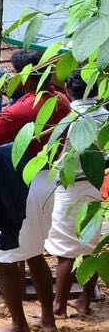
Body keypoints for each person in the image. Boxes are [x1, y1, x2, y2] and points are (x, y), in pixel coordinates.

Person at [0, 47, 70, 332]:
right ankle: (48, 319)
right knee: (34, 253)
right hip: (49, 181)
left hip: (25, 185)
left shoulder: (23, 108)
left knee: (6, 255)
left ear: (23, 75)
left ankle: (19, 326)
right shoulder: (60, 99)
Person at [45, 72, 107, 318]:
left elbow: (55, 154)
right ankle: (84, 300)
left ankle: (59, 306)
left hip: (70, 186)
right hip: (95, 184)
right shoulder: (106, 116)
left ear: (69, 90)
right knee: (91, 246)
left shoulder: (67, 119)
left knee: (65, 251)